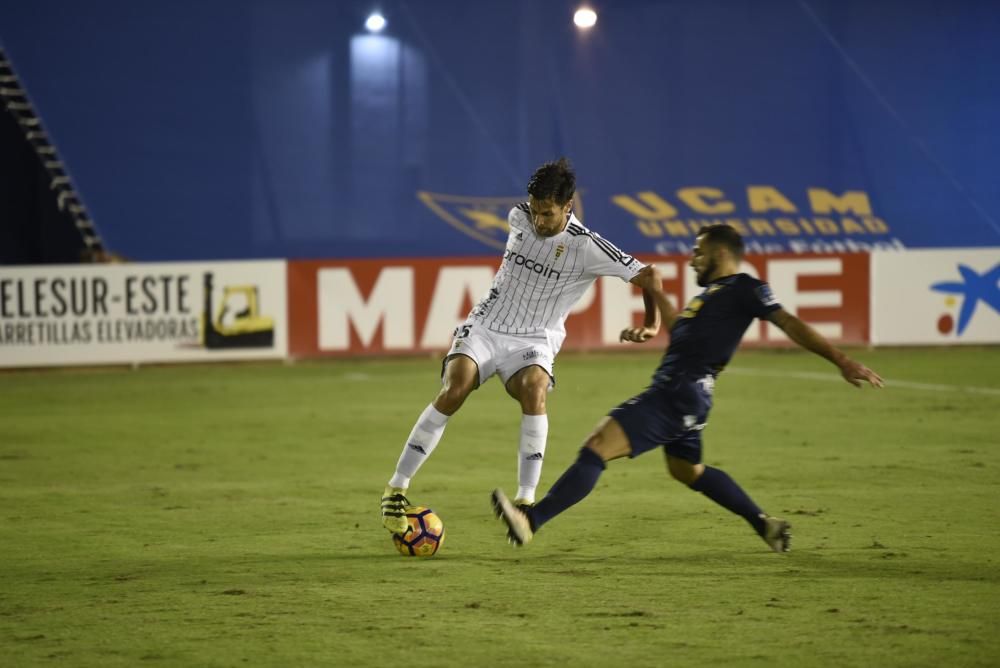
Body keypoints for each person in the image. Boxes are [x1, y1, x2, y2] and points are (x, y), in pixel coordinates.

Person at [491, 223, 884, 552]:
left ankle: (532, 519)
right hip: (691, 397)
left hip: (676, 392)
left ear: (721, 253)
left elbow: (790, 324)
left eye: (699, 251)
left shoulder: (745, 289)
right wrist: (655, 312)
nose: (693, 258)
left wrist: (842, 360)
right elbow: (683, 333)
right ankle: (764, 524)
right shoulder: (709, 298)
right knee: (686, 469)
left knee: (596, 448)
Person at [381, 158, 665, 534]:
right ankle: (396, 489)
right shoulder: (518, 217)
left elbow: (650, 275)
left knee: (534, 390)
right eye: (534, 211)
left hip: (534, 339)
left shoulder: (588, 247)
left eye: (547, 213)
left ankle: (525, 500)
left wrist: (650, 324)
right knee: (456, 387)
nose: (538, 221)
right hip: (484, 325)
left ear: (569, 207)